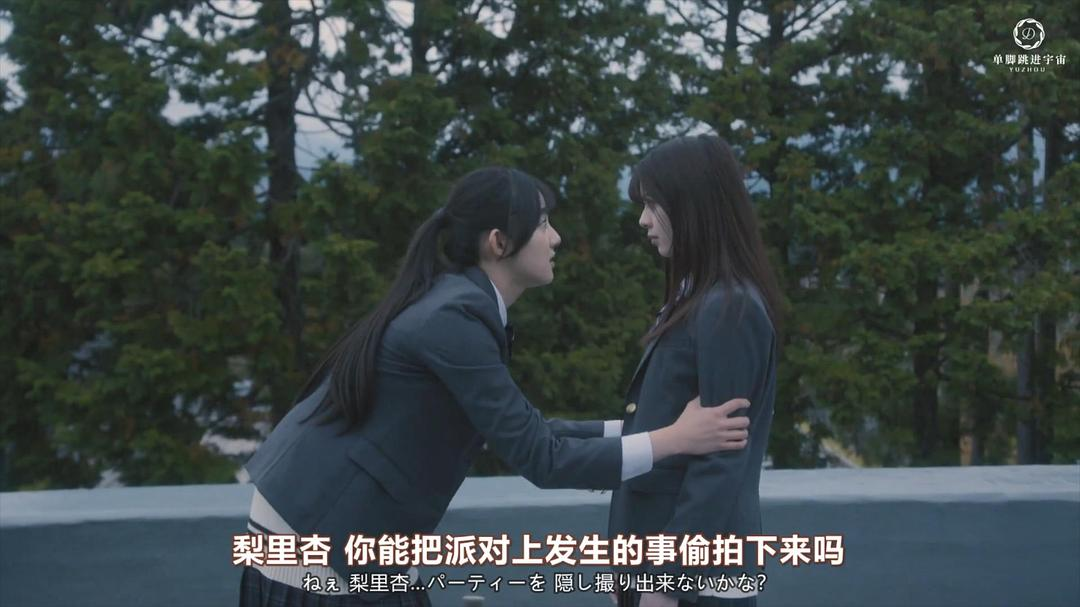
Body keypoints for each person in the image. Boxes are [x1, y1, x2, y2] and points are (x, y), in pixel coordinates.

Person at [239, 166, 754, 606]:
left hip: (338, 536)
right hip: (318, 545)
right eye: (544, 223)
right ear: (499, 242)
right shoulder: (454, 320)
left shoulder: (458, 305)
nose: (556, 238)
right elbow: (542, 458)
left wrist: (644, 429)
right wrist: (675, 440)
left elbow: (525, 432)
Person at [609, 135, 783, 607]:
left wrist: (666, 583)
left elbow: (720, 462)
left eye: (653, 204)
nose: (643, 220)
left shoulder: (729, 308)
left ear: (690, 204)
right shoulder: (699, 298)